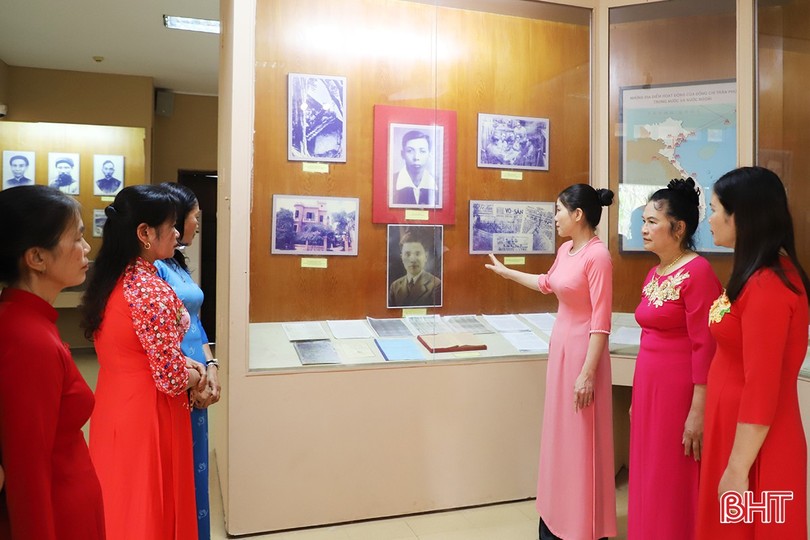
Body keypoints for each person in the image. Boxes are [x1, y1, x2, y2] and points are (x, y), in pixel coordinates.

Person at [485, 184, 616, 540]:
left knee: (582, 438)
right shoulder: (566, 249)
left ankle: (584, 523)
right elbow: (547, 283)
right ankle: (558, 515)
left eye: (559, 210)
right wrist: (507, 273)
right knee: (560, 435)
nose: (555, 217)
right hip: (561, 350)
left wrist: (587, 374)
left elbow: (601, 322)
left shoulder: (597, 257)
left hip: (584, 356)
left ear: (578, 214)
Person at [81, 184, 206, 540]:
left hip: (115, 402)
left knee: (120, 500)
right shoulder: (149, 289)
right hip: (150, 413)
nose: (178, 233)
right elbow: (169, 377)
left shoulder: (114, 278)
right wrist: (197, 373)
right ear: (145, 233)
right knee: (150, 507)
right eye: (171, 225)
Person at [697, 166, 808, 539]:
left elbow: (762, 386)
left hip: (756, 442)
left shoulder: (768, 285)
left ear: (740, 217)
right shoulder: (753, 272)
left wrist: (737, 469)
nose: (709, 219)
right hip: (734, 429)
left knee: (746, 529)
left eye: (714, 209)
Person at [0, 185, 105, 539]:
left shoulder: (29, 321)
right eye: (77, 238)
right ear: (37, 257)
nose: (86, 247)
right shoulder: (27, 339)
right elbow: (27, 472)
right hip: (58, 516)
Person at [628, 178, 722, 539]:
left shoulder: (698, 272)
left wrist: (698, 409)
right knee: (648, 468)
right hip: (649, 386)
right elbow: (647, 335)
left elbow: (706, 345)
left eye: (652, 221)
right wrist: (637, 395)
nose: (643, 228)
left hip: (680, 391)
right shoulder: (654, 272)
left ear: (678, 228)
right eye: (643, 220)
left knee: (671, 473)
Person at [155, 182, 221, 540]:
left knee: (197, 468)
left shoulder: (177, 264)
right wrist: (194, 377)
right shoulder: (154, 269)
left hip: (198, 376)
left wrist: (212, 367)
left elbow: (195, 323)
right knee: (177, 471)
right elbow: (157, 335)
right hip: (177, 379)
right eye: (195, 216)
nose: (197, 223)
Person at [388, 230, 442, 307]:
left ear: (426, 257)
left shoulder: (435, 284)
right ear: (401, 258)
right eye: (407, 254)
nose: (413, 259)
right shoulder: (395, 286)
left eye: (417, 254)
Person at [390, 130, 439, 207]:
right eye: (410, 151)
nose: (416, 157)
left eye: (422, 151)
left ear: (429, 155)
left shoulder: (438, 184)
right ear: (402, 154)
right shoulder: (391, 182)